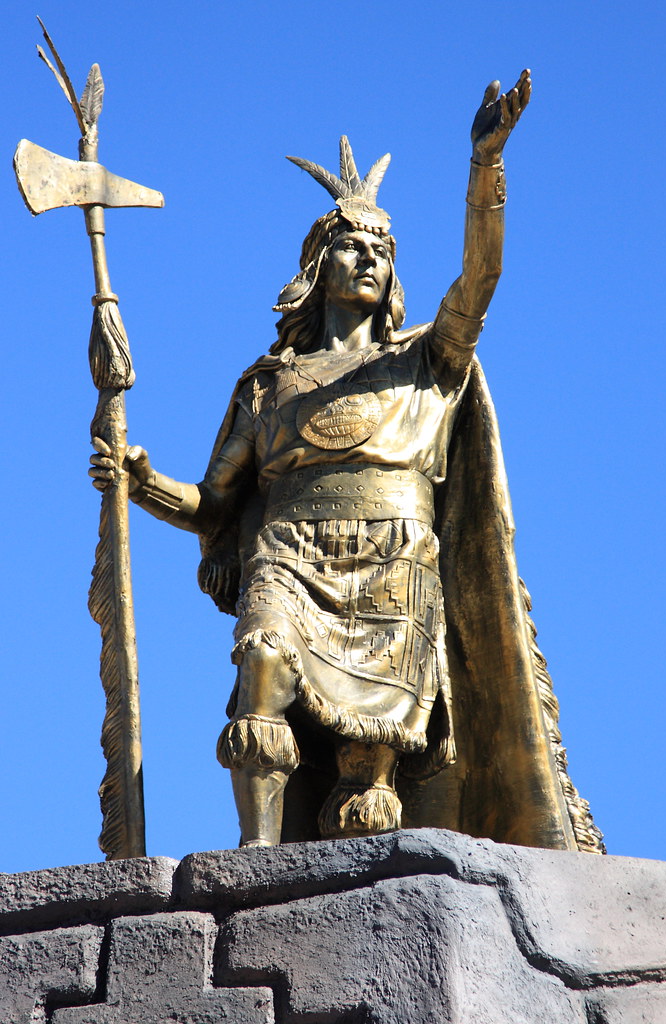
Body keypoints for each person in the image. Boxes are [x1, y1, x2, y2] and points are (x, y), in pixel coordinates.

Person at [91, 71, 605, 854]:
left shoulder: (430, 360)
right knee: (260, 662)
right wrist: (140, 482)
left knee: (369, 770)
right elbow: (213, 506)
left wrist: (485, 165)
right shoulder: (270, 386)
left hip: (395, 564)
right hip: (289, 559)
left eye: (381, 251)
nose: (367, 260)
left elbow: (482, 279)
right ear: (317, 268)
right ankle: (254, 859)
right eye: (351, 247)